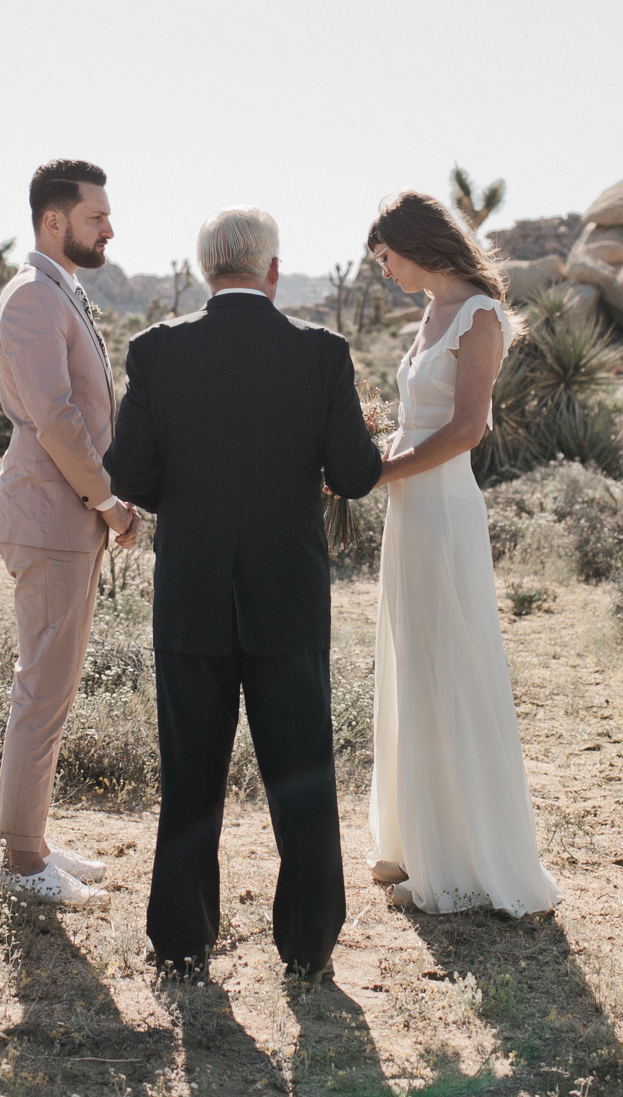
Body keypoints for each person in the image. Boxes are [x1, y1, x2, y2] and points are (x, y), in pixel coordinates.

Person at [104, 207, 384, 983]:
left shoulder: (156, 352)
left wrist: (187, 496)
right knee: (302, 773)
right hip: (287, 597)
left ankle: (183, 941)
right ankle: (308, 946)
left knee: (189, 772)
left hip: (192, 592)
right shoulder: (322, 354)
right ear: (272, 271)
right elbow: (356, 475)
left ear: (205, 273)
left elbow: (127, 473)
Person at [364, 191, 559, 918]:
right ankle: (415, 835)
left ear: (414, 245)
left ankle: (466, 852)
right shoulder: (431, 311)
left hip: (442, 509)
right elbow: (421, 418)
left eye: (386, 257)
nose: (385, 272)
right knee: (414, 659)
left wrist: (382, 470)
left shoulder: (480, 316)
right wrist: (373, 452)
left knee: (451, 662)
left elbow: (468, 428)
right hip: (409, 510)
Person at [0, 158, 142, 905]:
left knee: (54, 684)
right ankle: (20, 862)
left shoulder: (54, 292)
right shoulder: (32, 300)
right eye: (96, 216)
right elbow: (56, 419)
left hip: (58, 515)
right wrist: (108, 502)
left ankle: (33, 839)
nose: (109, 227)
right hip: (54, 517)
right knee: (43, 687)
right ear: (55, 220)